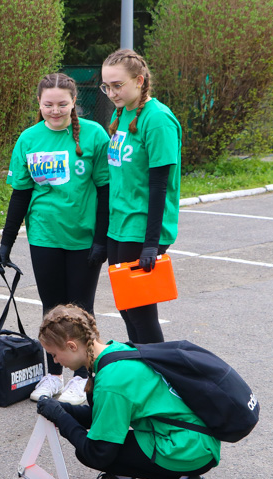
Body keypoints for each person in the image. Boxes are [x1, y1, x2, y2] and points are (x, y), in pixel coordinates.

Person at [35, 304, 220, 479]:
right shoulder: (115, 352)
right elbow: (104, 418)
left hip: (189, 448)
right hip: (193, 436)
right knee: (107, 436)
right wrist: (62, 410)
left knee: (90, 450)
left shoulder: (111, 382)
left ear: (71, 346)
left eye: (55, 355)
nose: (56, 361)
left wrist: (60, 418)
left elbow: (98, 452)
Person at [0, 72, 110, 405]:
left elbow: (104, 190)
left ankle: (83, 378)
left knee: (81, 310)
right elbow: (20, 194)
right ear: (39, 103)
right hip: (44, 236)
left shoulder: (94, 136)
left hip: (83, 239)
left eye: (62, 104)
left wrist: (101, 239)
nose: (55, 110)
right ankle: (53, 375)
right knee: (52, 310)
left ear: (74, 102)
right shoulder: (29, 139)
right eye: (48, 104)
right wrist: (6, 243)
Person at [101, 49, 182, 344]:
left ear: (139, 80)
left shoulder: (157, 119)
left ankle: (161, 379)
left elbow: (160, 186)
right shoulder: (121, 112)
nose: (111, 93)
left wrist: (151, 244)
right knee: (126, 308)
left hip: (143, 228)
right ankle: (142, 369)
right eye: (106, 86)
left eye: (117, 85)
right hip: (119, 225)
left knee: (140, 312)